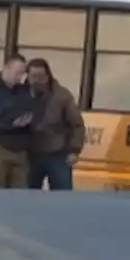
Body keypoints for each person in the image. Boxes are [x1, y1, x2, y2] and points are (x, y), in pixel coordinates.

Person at [0, 54, 38, 189]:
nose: (20, 77)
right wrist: (11, 125)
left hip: (20, 149)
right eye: (17, 73)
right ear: (6, 68)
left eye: (22, 74)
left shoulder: (23, 90)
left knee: (19, 195)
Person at [25, 58, 86, 191]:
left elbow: (77, 125)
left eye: (41, 77)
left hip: (58, 155)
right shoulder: (20, 94)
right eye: (33, 76)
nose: (37, 80)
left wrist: (74, 151)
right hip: (29, 155)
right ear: (27, 76)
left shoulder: (62, 96)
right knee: (26, 197)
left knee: (62, 197)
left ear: (48, 76)